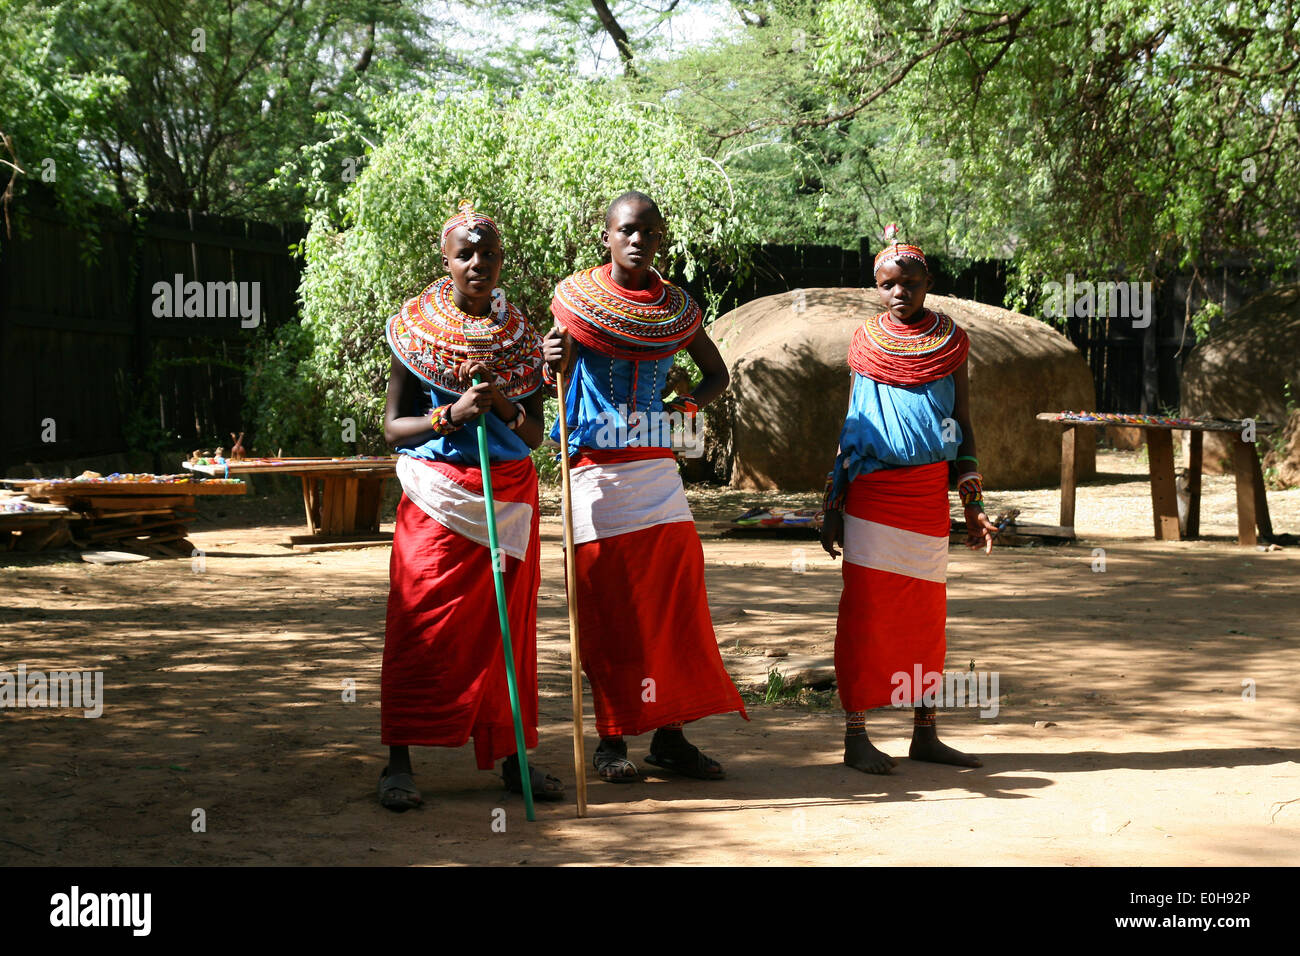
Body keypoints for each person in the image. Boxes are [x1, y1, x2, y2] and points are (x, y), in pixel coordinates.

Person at [542, 191, 747, 784]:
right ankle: (610, 741)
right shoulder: (575, 302)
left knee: (673, 608)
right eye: (626, 230)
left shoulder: (677, 310)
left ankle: (671, 737)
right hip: (594, 474)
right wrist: (550, 357)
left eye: (649, 233)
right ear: (606, 236)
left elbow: (717, 374)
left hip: (657, 478)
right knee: (606, 609)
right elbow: (543, 378)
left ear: (660, 240)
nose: (637, 240)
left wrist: (680, 406)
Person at [378, 201, 563, 811]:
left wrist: (504, 404)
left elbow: (535, 435)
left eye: (488, 253)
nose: (478, 263)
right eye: (465, 254)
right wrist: (449, 415)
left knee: (507, 633)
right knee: (419, 623)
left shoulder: (522, 337)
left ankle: (514, 759)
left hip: (508, 497)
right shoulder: (412, 329)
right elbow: (392, 428)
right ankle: (399, 759)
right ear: (446, 260)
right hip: (436, 499)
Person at [820, 227, 998, 775]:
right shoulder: (865, 343)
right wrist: (833, 500)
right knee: (866, 614)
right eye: (890, 284)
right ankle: (856, 735)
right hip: (874, 491)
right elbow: (853, 425)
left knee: (925, 615)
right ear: (877, 287)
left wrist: (971, 500)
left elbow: (962, 424)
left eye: (912, 283)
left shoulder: (952, 344)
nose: (901, 293)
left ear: (928, 284)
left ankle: (925, 731)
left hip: (925, 494)